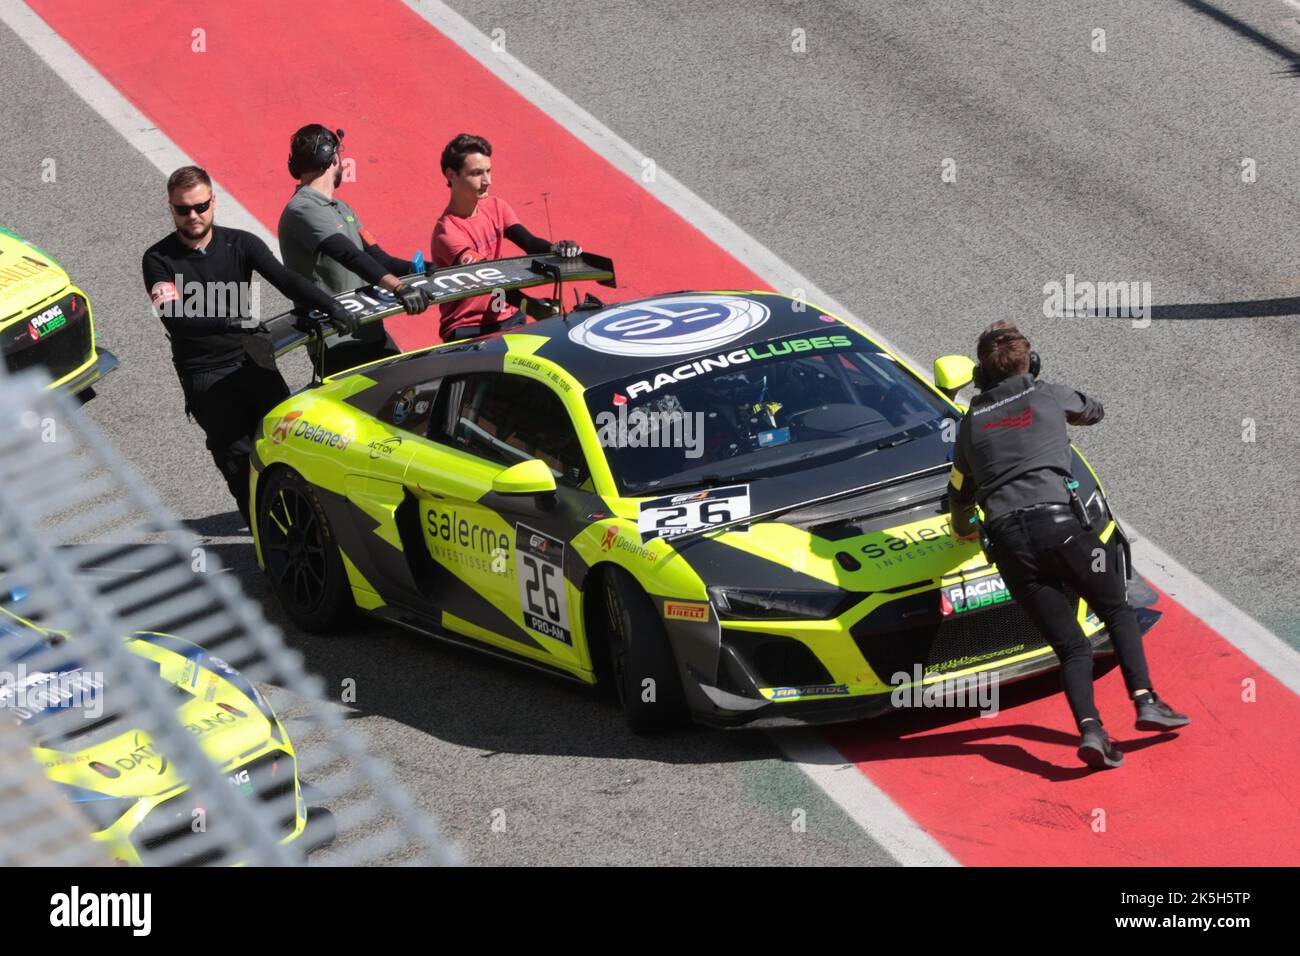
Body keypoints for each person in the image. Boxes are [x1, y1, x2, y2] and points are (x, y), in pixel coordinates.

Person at [947, 320, 1189, 770]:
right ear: (1030, 364)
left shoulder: (969, 424)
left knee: (1071, 646)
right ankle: (1146, 700)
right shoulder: (1049, 394)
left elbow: (959, 494)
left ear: (981, 377)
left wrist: (962, 528)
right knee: (1115, 607)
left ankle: (1092, 729)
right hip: (1059, 526)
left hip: (1008, 545)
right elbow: (1094, 410)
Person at [142, 165, 357, 525]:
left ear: (214, 201)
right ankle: (270, 550)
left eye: (200, 206)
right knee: (240, 464)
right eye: (183, 209)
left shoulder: (241, 243)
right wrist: (230, 320)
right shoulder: (157, 259)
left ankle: (310, 529)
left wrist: (331, 306)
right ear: (171, 208)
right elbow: (175, 318)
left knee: (287, 448)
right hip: (205, 376)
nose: (193, 216)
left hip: (252, 362)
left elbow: (286, 279)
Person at [277, 124, 431, 369]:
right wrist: (399, 287)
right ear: (333, 158)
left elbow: (379, 258)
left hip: (369, 330)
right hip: (337, 338)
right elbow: (346, 254)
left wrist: (433, 269)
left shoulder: (342, 209)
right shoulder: (302, 208)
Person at [430, 133, 582, 341]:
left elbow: (529, 242)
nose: (487, 181)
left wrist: (557, 249)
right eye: (476, 174)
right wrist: (530, 306)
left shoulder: (496, 207)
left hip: (509, 316)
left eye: (488, 171)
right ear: (451, 175)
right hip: (468, 328)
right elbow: (487, 279)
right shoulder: (447, 233)